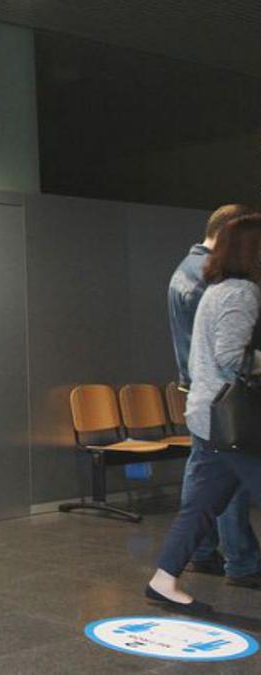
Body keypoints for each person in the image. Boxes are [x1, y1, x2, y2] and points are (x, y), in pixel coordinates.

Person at [148, 213, 261, 612]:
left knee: (199, 506)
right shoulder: (242, 293)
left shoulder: (215, 287)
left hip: (208, 414)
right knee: (203, 504)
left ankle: (163, 581)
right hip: (230, 419)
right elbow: (232, 357)